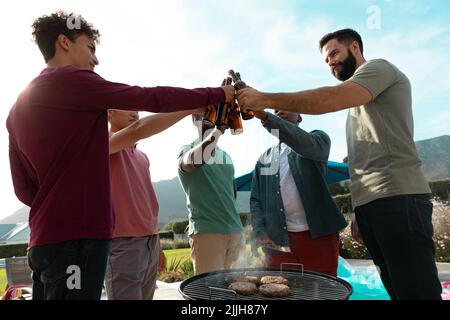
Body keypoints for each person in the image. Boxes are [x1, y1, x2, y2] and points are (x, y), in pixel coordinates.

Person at [6, 11, 234, 300]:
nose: (95, 60)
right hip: (80, 237)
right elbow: (151, 97)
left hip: (42, 242)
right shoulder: (72, 81)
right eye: (90, 48)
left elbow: (24, 190)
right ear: (64, 42)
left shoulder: (15, 111)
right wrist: (215, 94)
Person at [237, 29, 442, 300]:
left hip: (398, 198)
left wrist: (264, 99)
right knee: (399, 291)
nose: (330, 62)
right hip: (374, 205)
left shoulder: (378, 69)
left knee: (418, 292)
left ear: (355, 47)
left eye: (334, 53)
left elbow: (328, 100)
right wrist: (359, 208)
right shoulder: (357, 105)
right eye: (326, 59)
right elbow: (364, 160)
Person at [105, 108, 203, 300]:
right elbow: (138, 129)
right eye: (128, 106)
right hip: (122, 243)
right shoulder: (102, 143)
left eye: (137, 108)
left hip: (149, 242)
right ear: (109, 112)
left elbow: (150, 203)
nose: (135, 112)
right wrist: (192, 105)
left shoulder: (142, 157)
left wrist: (156, 246)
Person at [250, 110, 347, 277]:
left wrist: (267, 117)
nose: (279, 110)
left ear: (300, 117)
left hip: (319, 238)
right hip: (277, 241)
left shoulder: (318, 140)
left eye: (287, 105)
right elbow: (256, 199)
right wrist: (260, 231)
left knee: (324, 292)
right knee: (280, 291)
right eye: (275, 110)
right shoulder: (264, 159)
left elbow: (303, 143)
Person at [177, 114, 244, 275]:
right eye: (201, 115)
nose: (208, 118)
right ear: (194, 120)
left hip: (235, 232)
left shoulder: (226, 156)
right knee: (208, 292)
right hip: (207, 233)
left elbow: (231, 192)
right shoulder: (186, 150)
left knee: (239, 288)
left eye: (212, 113)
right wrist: (218, 132)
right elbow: (196, 160)